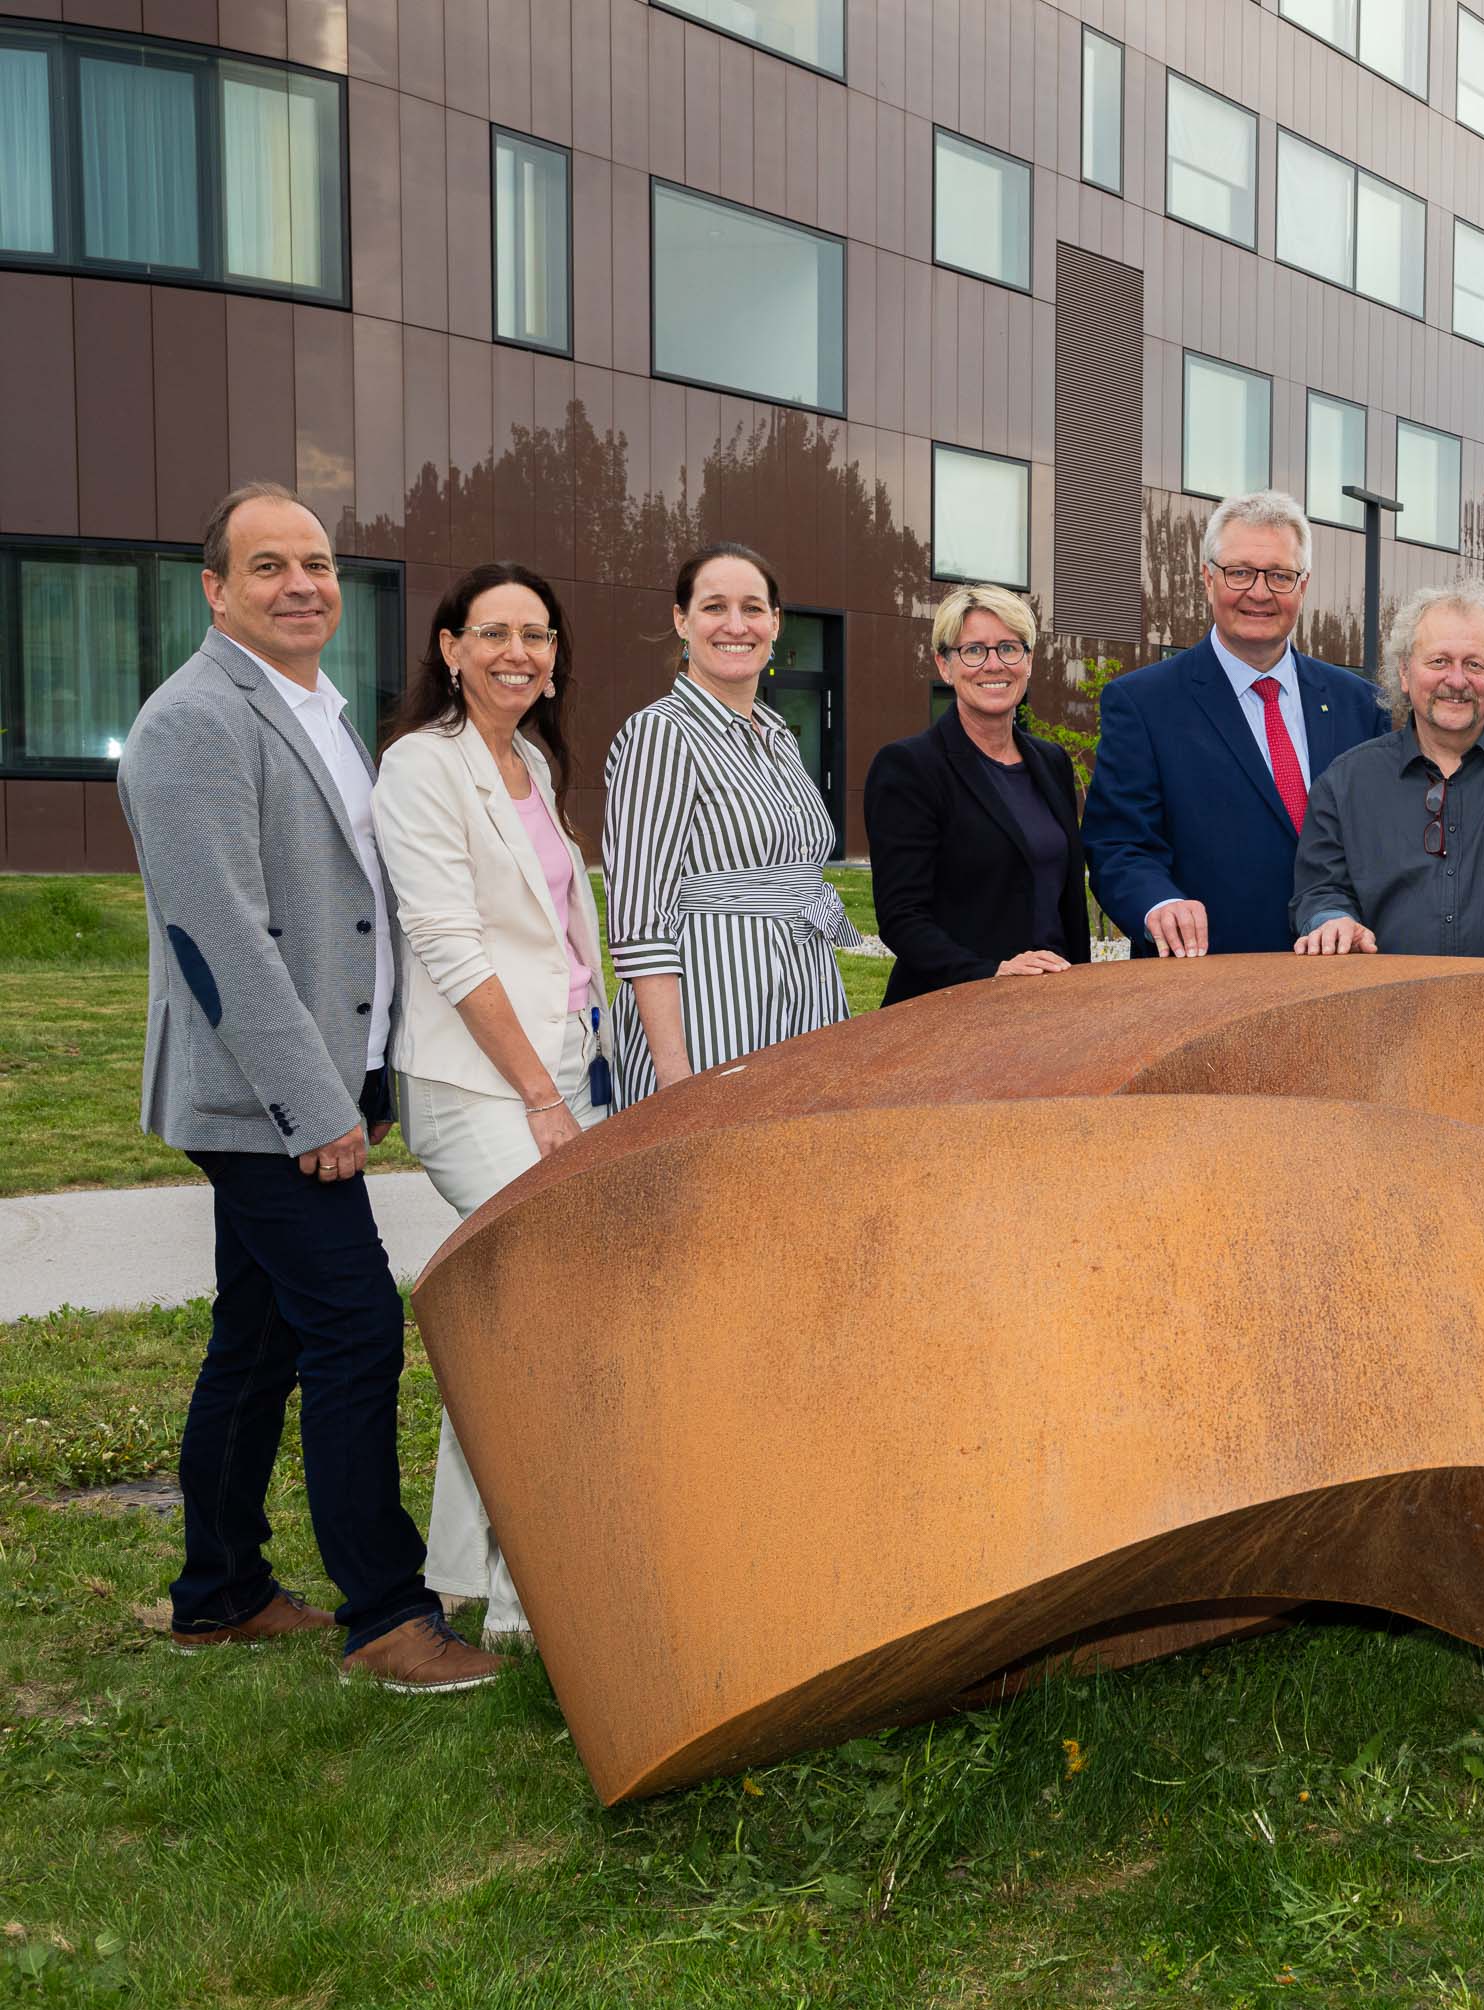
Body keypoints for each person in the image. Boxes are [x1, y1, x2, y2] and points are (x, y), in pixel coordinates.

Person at [116, 483, 498, 1692]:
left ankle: (219, 1591)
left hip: (319, 1081)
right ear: (216, 590)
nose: (301, 585)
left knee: (260, 1333)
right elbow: (220, 939)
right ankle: (386, 1612)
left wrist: (364, 1071)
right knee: (355, 1325)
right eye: (269, 565)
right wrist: (313, 1104)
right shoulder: (194, 721)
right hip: (258, 1099)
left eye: (318, 563)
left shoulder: (320, 709)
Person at [371, 562, 612, 1652]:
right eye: (495, 632)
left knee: (520, 1318)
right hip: (481, 1083)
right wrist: (539, 1095)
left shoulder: (534, 760)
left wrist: (581, 1070)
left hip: (568, 1064)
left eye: (538, 634)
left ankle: (481, 1576)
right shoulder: (423, 765)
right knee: (549, 1312)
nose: (519, 651)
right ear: (451, 646)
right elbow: (450, 946)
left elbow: (558, 935)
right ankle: (533, 1601)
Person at [603, 543, 853, 1100]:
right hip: (714, 1014)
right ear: (682, 621)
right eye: (714, 607)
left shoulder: (778, 736)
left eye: (753, 608)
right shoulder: (662, 734)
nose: (736, 626)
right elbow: (640, 921)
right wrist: (674, 1076)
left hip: (805, 995)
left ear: (775, 624)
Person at [1086, 491, 1385, 956]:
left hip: (1341, 971)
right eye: (1240, 572)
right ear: (1208, 578)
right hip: (1206, 975)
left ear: (1303, 586)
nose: (1259, 593)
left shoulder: (1362, 704)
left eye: (1280, 575)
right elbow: (1119, 845)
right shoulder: (1143, 704)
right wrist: (1159, 904)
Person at [1290, 587, 1484, 961]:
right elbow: (1320, 889)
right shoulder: (1345, 782)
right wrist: (1333, 920)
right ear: (1404, 672)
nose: (1456, 681)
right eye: (1439, 661)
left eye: (1475, 665)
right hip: (1389, 996)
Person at [863, 584, 1091, 1003]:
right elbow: (902, 918)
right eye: (973, 650)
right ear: (945, 665)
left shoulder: (1051, 761)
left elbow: (1067, 901)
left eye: (1009, 648)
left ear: (1028, 662)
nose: (993, 664)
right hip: (954, 1006)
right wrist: (991, 973)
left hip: (1054, 1000)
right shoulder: (909, 767)